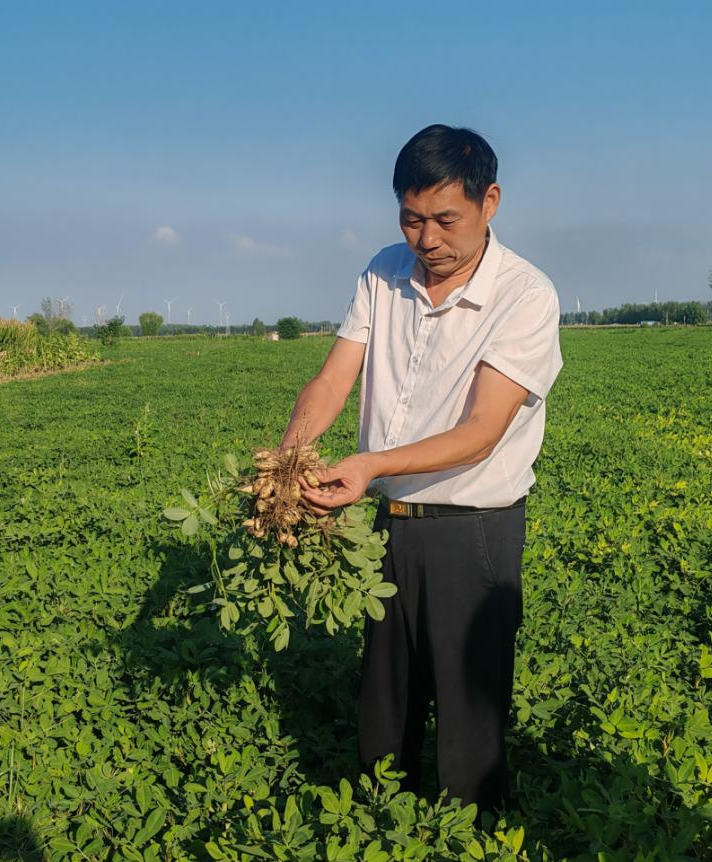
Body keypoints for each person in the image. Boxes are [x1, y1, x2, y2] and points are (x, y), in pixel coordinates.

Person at [277, 123, 563, 815]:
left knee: (469, 715)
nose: (426, 239)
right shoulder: (382, 271)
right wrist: (287, 463)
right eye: (411, 219)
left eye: (444, 220)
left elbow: (479, 434)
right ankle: (380, 825)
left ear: (488, 202)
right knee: (385, 700)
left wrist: (369, 463)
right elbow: (331, 378)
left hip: (474, 531)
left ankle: (474, 832)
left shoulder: (524, 295)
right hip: (388, 527)